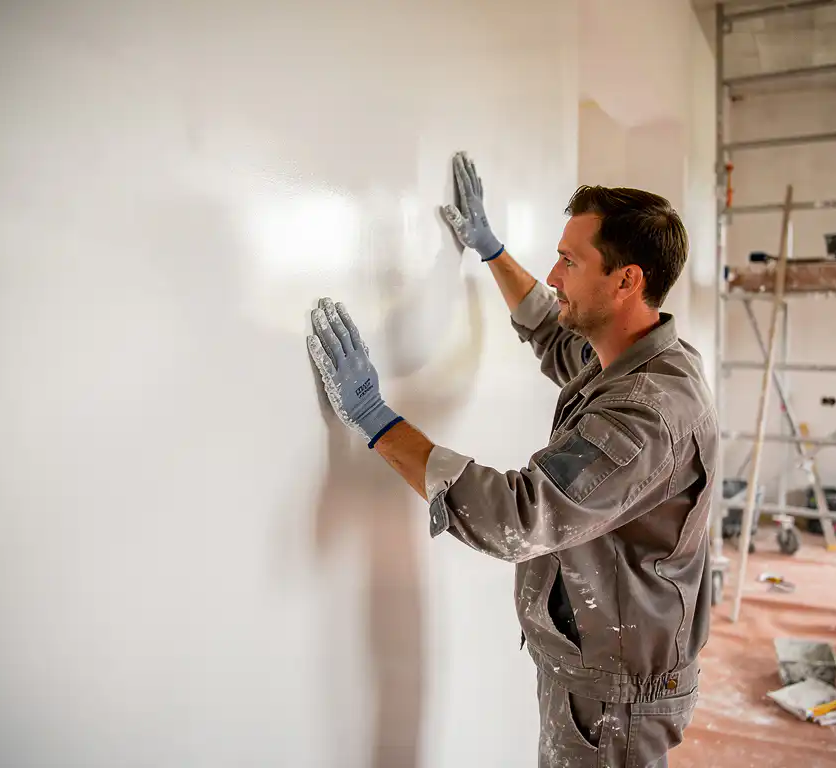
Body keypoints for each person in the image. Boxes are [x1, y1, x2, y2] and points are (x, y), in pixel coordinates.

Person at [306, 151, 716, 768]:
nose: (554, 274)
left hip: (616, 700)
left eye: (570, 262)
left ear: (627, 280)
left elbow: (521, 517)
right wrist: (489, 248)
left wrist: (375, 421)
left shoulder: (644, 412)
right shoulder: (636, 355)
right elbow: (555, 332)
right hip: (598, 670)